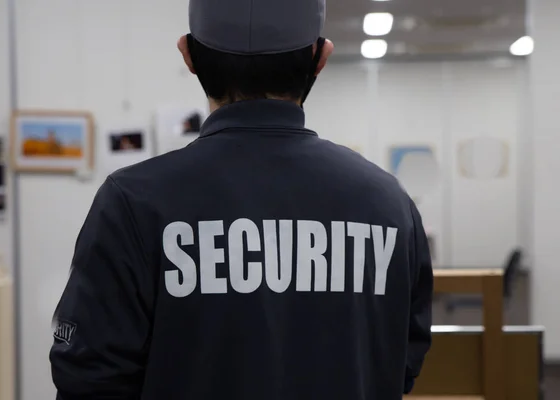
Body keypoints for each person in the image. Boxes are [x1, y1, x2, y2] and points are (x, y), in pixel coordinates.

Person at [50, 0, 433, 399]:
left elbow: (89, 379)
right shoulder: (389, 203)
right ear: (320, 57)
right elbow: (402, 363)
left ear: (189, 55)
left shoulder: (134, 201)